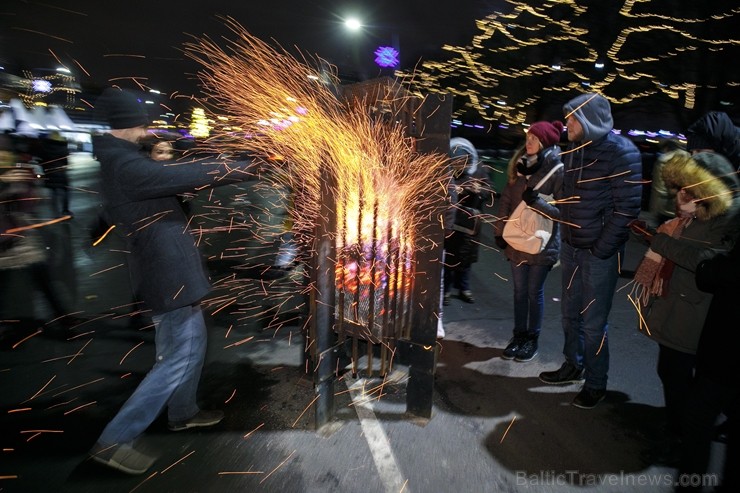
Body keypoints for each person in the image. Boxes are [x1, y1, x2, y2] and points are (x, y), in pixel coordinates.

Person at [88, 87, 256, 475]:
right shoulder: (125, 166)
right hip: (166, 276)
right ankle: (114, 441)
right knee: (176, 358)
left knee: (189, 349)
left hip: (172, 273)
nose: (148, 126)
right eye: (142, 120)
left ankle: (183, 412)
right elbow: (186, 174)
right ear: (126, 123)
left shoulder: (124, 159)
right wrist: (245, 165)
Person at [629, 149, 739, 453]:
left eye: (687, 190)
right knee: (672, 372)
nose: (679, 197)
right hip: (676, 304)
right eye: (678, 189)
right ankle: (681, 426)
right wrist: (653, 235)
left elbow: (705, 260)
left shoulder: (726, 219)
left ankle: (684, 433)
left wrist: (659, 240)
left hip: (696, 310)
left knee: (683, 377)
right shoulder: (691, 214)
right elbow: (675, 244)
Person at [538, 93, 642, 409]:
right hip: (571, 248)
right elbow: (570, 203)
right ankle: (573, 364)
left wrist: (600, 249)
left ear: (588, 121)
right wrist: (554, 217)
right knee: (570, 315)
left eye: (571, 119)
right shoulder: (574, 152)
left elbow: (627, 210)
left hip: (598, 255)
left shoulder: (621, 153)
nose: (566, 125)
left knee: (593, 322)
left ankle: (596, 382)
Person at [676, 225, 740, 492]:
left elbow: (715, 274)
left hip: (727, 356)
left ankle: (690, 486)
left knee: (697, 418)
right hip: (726, 355)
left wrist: (711, 265)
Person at [494, 120, 564, 362]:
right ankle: (518, 336)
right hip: (516, 241)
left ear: (545, 142)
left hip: (540, 243)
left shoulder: (557, 170)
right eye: (528, 137)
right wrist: (499, 230)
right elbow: (505, 201)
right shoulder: (519, 166)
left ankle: (532, 339)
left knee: (534, 292)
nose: (529, 142)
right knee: (519, 292)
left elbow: (563, 213)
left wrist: (537, 202)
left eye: (534, 138)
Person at [443, 137, 492, 305]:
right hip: (454, 219)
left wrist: (480, 190)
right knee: (450, 256)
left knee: (467, 256)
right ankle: (447, 290)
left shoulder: (478, 169)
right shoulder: (447, 171)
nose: (460, 166)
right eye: (456, 162)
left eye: (462, 162)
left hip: (471, 221)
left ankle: (464, 288)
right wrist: (454, 190)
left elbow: (488, 189)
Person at [647, 138, 683, 227]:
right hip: (683, 204)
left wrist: (655, 207)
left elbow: (660, 187)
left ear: (666, 148)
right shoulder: (688, 158)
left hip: (666, 205)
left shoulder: (663, 160)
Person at [36, 130, 72, 217]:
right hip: (61, 172)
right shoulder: (63, 147)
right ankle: (65, 210)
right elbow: (66, 161)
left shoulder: (44, 147)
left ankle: (55, 214)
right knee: (65, 191)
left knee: (53, 193)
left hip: (50, 172)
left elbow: (41, 161)